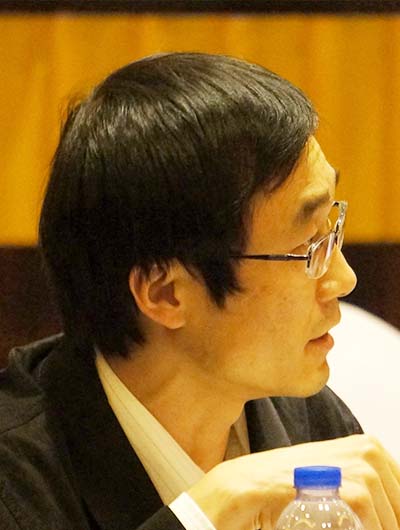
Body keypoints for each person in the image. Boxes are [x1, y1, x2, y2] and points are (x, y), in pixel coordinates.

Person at [0, 52, 399, 530]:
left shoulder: (307, 421)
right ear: (166, 294)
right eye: (307, 246)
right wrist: (208, 509)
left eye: (329, 231)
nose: (344, 279)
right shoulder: (17, 479)